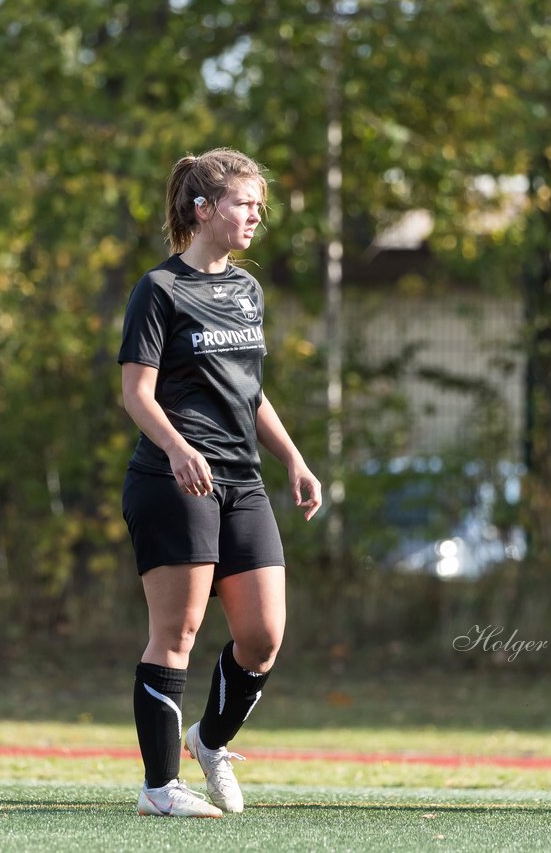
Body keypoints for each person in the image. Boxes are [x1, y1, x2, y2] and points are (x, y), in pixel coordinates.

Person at [118, 148, 322, 818]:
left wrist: (293, 458)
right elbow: (137, 394)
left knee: (263, 636)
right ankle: (158, 788)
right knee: (175, 634)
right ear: (203, 209)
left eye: (259, 203)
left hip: (244, 480)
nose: (257, 213)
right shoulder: (159, 289)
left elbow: (248, 392)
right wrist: (177, 449)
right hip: (174, 479)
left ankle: (210, 742)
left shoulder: (247, 289)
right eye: (244, 202)